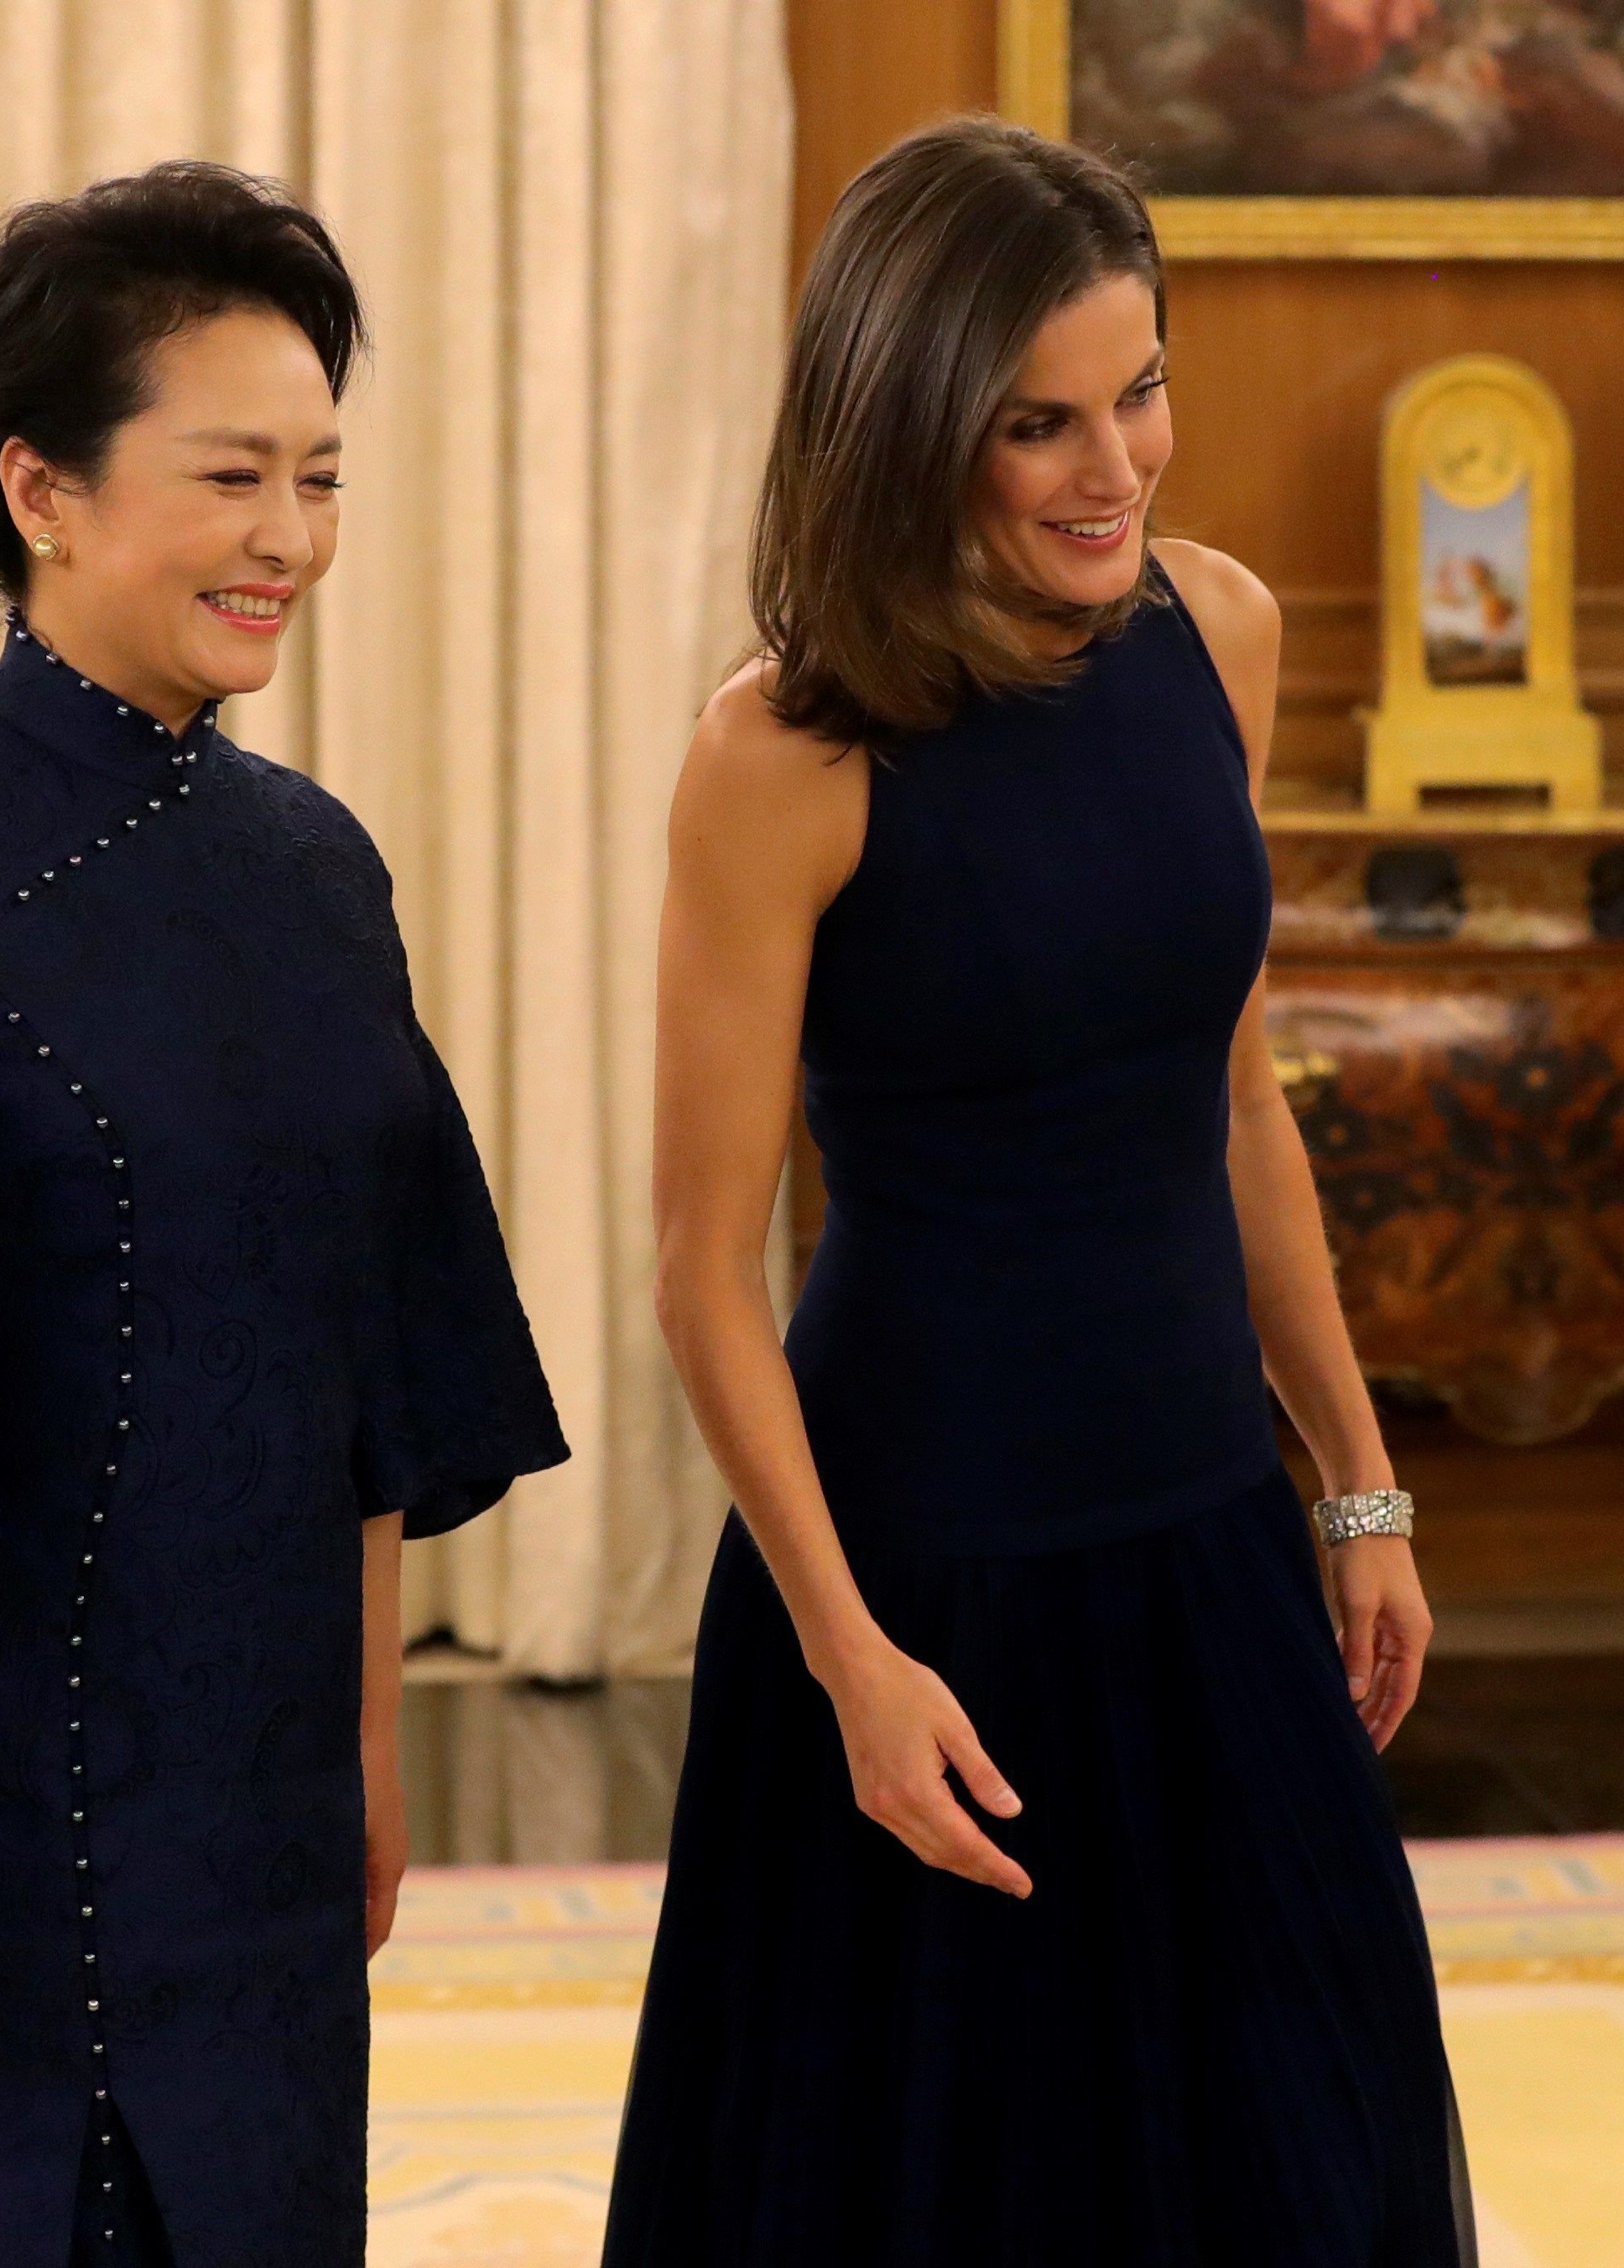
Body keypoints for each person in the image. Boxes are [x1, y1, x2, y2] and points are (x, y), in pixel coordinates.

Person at [0, 162, 566, 2268]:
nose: (293, 540)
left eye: (320, 478)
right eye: (232, 475)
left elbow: (363, 1376)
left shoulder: (316, 869)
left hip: (262, 1792)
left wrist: (365, 1747)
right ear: (39, 488)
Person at [601, 119, 1476, 2266]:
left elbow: (1235, 1096)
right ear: (912, 427)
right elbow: (703, 1268)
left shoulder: (1225, 634)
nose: (1118, 468)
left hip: (1205, 1527)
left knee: (1302, 2146)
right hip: (930, 1575)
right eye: (1039, 424)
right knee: (950, 2196)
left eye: (1142, 391)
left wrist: (1353, 1485)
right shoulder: (782, 756)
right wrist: (846, 1657)